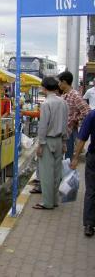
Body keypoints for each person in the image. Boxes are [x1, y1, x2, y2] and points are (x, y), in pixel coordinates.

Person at [33, 77, 68, 210]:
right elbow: (65, 123)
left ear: (44, 88)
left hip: (48, 140)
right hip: (59, 140)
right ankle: (54, 200)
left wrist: (40, 144)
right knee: (56, 173)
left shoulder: (46, 103)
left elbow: (43, 126)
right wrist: (64, 141)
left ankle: (47, 202)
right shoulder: (63, 102)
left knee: (46, 173)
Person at [70, 109, 95, 236]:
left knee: (91, 190)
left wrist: (75, 158)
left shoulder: (92, 114)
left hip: (93, 158)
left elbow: (82, 138)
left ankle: (89, 225)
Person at [58, 71, 91, 160]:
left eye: (59, 82)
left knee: (68, 157)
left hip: (70, 130)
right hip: (64, 130)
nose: (59, 84)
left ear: (64, 82)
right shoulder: (65, 95)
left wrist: (75, 119)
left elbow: (87, 112)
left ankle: (69, 172)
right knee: (64, 157)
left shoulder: (75, 95)